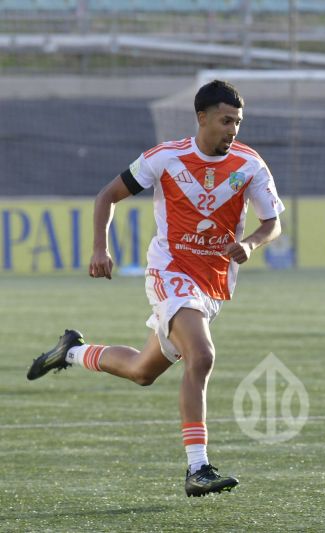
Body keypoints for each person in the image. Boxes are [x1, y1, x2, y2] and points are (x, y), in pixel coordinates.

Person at [26, 80, 285, 497]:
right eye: (225, 120)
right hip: (169, 272)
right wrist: (99, 248)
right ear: (202, 118)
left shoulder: (250, 164)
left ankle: (71, 351)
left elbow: (272, 222)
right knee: (201, 355)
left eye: (237, 121)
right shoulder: (166, 158)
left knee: (142, 371)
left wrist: (252, 243)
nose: (232, 129)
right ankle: (197, 468)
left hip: (211, 285)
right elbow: (107, 196)